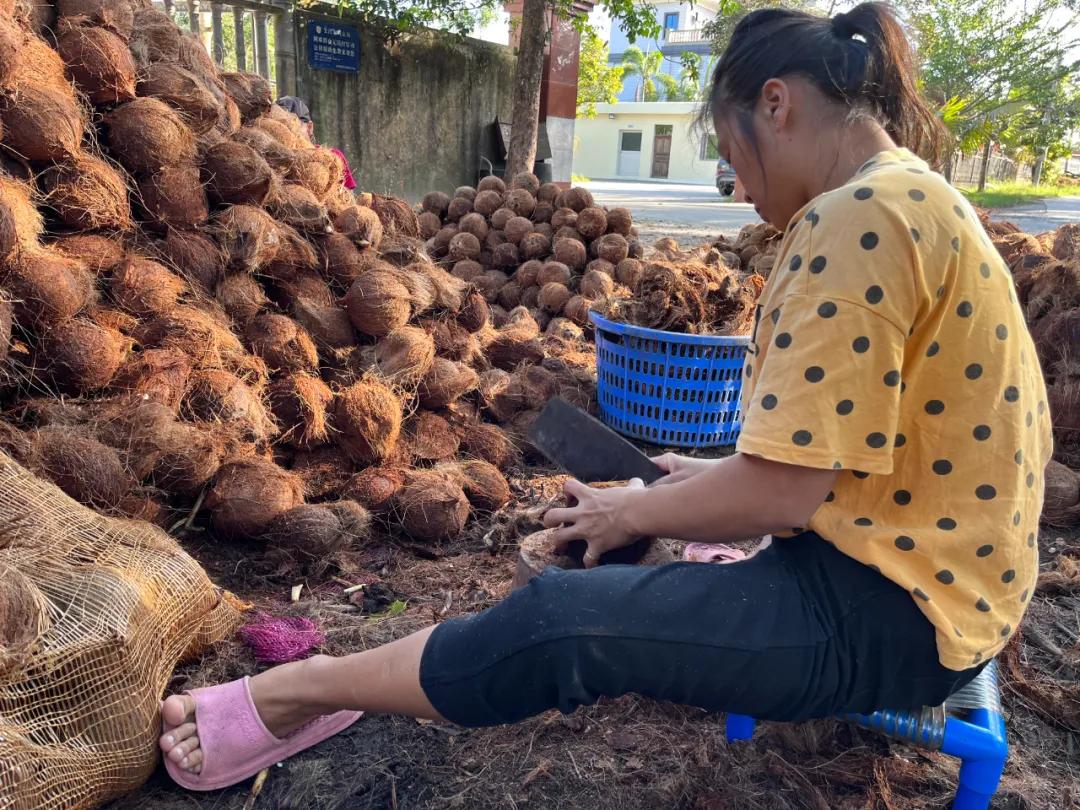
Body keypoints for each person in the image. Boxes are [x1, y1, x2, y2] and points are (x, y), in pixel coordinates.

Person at [160, 3, 1051, 789]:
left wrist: (635, 516)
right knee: (633, 555)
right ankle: (361, 680)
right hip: (951, 583)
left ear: (775, 104)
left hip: (900, 615)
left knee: (562, 623)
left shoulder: (854, 216)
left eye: (733, 152)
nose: (741, 189)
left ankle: (291, 694)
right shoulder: (919, 197)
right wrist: (693, 476)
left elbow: (783, 493)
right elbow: (857, 447)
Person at [274, 95, 357, 190]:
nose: (289, 135)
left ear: (309, 128)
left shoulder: (334, 157)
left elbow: (347, 199)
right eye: (281, 129)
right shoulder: (274, 163)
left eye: (294, 127)